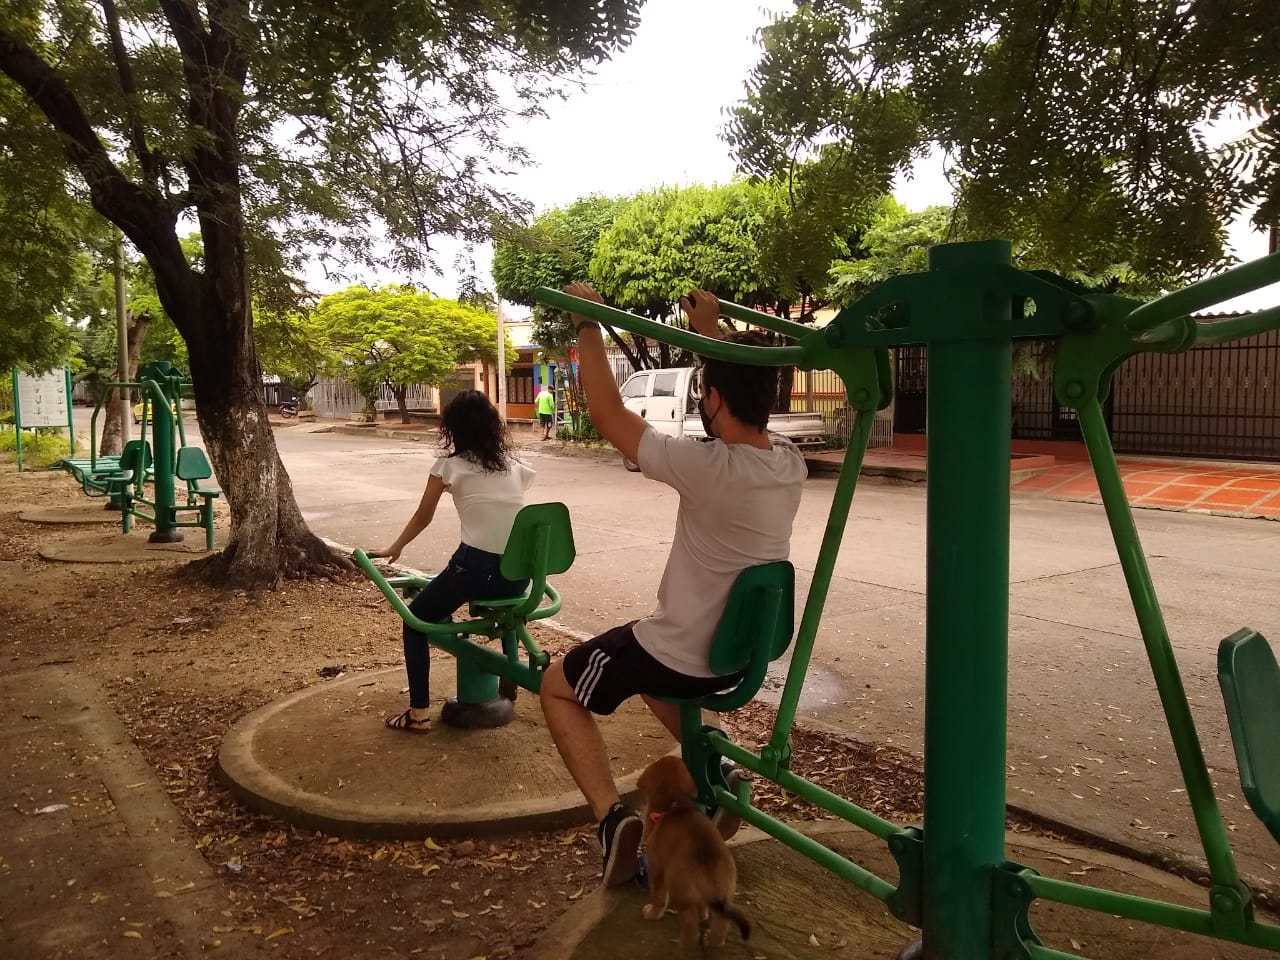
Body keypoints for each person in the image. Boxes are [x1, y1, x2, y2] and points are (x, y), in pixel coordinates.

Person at [539, 284, 807, 886]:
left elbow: (608, 417)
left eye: (706, 393)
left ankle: (611, 820)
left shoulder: (708, 467)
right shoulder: (788, 462)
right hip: (739, 655)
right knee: (649, 675)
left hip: (683, 651)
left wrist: (587, 324)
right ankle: (719, 770)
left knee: (557, 686)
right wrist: (711, 334)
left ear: (712, 398)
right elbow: (736, 393)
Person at [376, 389, 535, 733]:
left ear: (453, 428)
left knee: (416, 620)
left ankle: (418, 714)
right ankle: (510, 672)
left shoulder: (449, 466)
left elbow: (423, 516)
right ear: (493, 426)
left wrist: (396, 547)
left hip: (474, 571)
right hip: (517, 578)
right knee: (499, 609)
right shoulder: (516, 468)